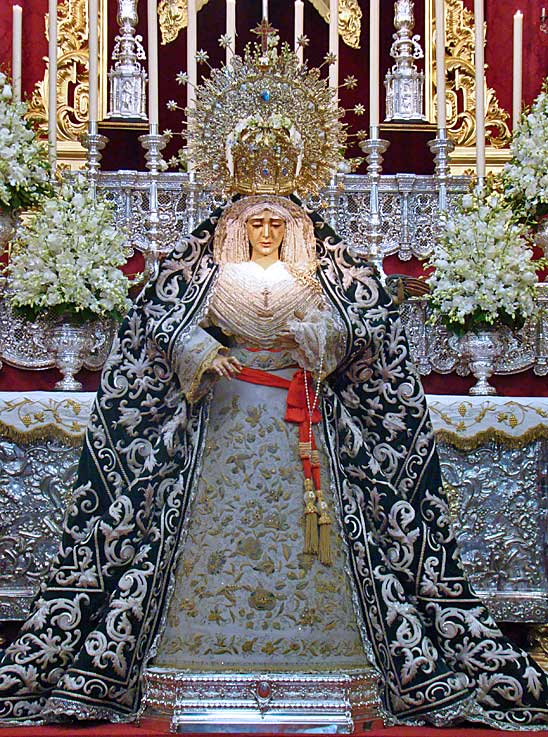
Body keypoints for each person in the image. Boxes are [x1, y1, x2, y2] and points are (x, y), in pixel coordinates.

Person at [1, 192, 548, 730]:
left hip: (301, 418)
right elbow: (158, 323)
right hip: (224, 417)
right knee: (216, 523)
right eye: (257, 223)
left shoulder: (313, 279)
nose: (266, 232)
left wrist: (320, 337)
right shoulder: (213, 277)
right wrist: (201, 351)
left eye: (276, 224)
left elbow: (362, 325)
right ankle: (196, 657)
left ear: (294, 230)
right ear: (237, 229)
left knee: (312, 524)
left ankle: (326, 656)